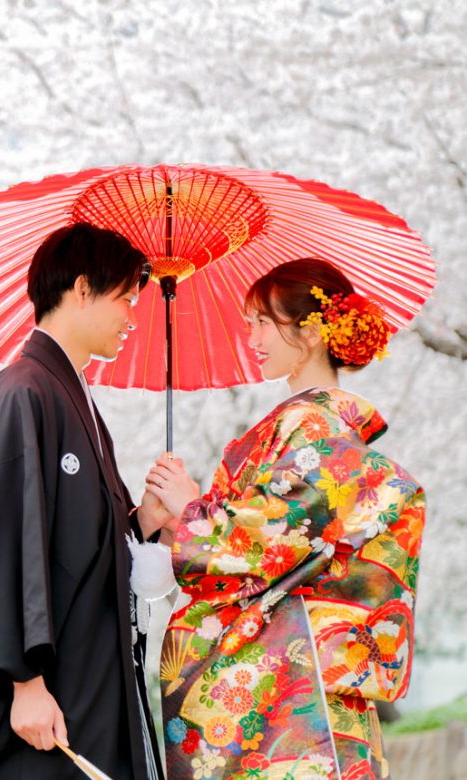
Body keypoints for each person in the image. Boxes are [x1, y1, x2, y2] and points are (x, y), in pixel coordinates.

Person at [145, 258, 425, 780]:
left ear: (313, 330)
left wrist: (192, 513)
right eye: (249, 321)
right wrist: (183, 523)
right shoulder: (314, 421)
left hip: (300, 689)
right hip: (315, 678)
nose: (250, 336)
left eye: (262, 323)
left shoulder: (312, 423)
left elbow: (272, 534)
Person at [0, 222, 167, 780]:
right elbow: (6, 540)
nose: (132, 319)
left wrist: (143, 522)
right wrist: (24, 681)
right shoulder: (24, 392)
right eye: (125, 301)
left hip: (85, 669)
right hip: (44, 686)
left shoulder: (72, 396)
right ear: (82, 289)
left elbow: (83, 540)